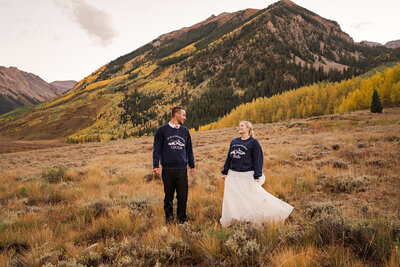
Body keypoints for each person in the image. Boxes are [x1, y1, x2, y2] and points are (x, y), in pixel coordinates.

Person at [220, 121, 293, 227]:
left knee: (254, 196)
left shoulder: (253, 143)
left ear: (248, 128)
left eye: (242, 126)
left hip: (247, 175)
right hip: (233, 175)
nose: (239, 127)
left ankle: (276, 212)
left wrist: (257, 175)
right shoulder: (234, 141)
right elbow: (229, 158)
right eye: (239, 125)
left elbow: (258, 160)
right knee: (232, 198)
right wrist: (225, 172)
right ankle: (236, 218)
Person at [153, 107, 195, 224]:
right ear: (176, 115)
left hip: (182, 169)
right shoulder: (162, 131)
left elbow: (189, 150)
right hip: (167, 169)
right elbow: (156, 149)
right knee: (168, 196)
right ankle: (169, 219)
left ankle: (182, 219)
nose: (185, 118)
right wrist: (155, 164)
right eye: (183, 115)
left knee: (182, 196)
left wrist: (192, 165)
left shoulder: (185, 131)